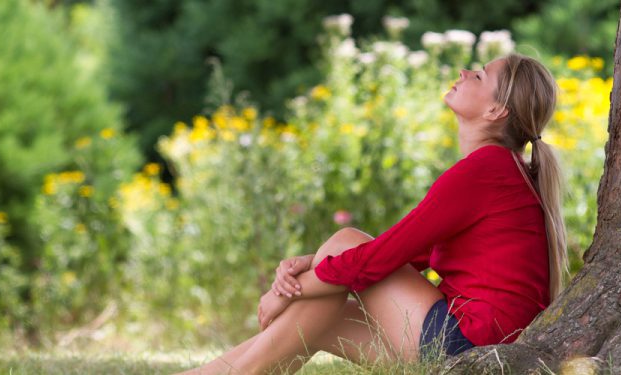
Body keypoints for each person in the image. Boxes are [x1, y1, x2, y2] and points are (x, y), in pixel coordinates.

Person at [178, 53, 568, 374]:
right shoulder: (500, 170)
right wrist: (306, 264)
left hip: (467, 351)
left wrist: (285, 291)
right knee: (320, 319)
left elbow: (381, 257)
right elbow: (410, 255)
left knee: (346, 242)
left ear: (496, 109)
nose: (465, 72)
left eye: (479, 75)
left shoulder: (486, 169)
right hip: (468, 349)